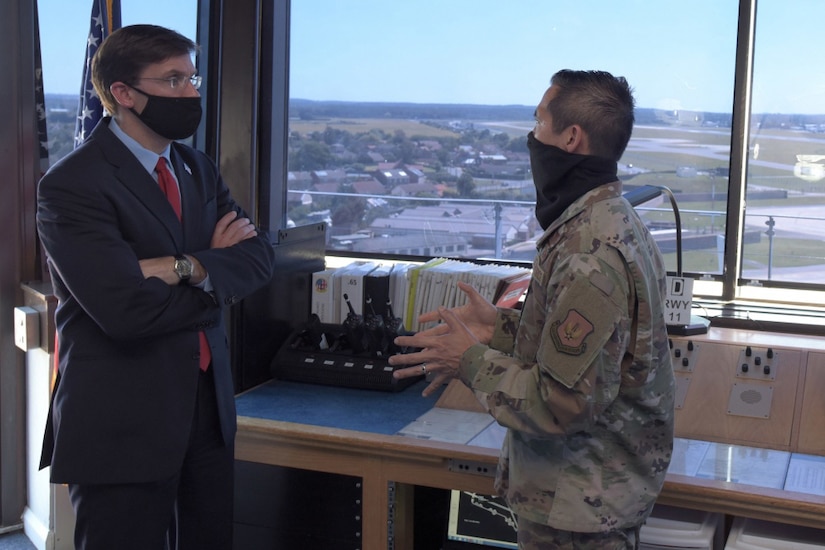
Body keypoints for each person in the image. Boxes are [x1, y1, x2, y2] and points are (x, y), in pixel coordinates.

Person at [390, 70, 674, 549]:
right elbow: (588, 351)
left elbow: (560, 406)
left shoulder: (591, 253)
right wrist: (502, 330)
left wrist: (468, 360)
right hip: (582, 496)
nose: (533, 136)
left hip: (581, 510)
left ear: (570, 137)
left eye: (539, 122)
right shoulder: (606, 219)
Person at [36, 24, 276, 550]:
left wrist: (179, 267)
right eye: (172, 80)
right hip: (123, 420)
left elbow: (258, 259)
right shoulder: (73, 184)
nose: (190, 93)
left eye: (192, 78)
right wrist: (214, 271)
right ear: (123, 94)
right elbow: (126, 312)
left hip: (207, 413)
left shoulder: (195, 167)